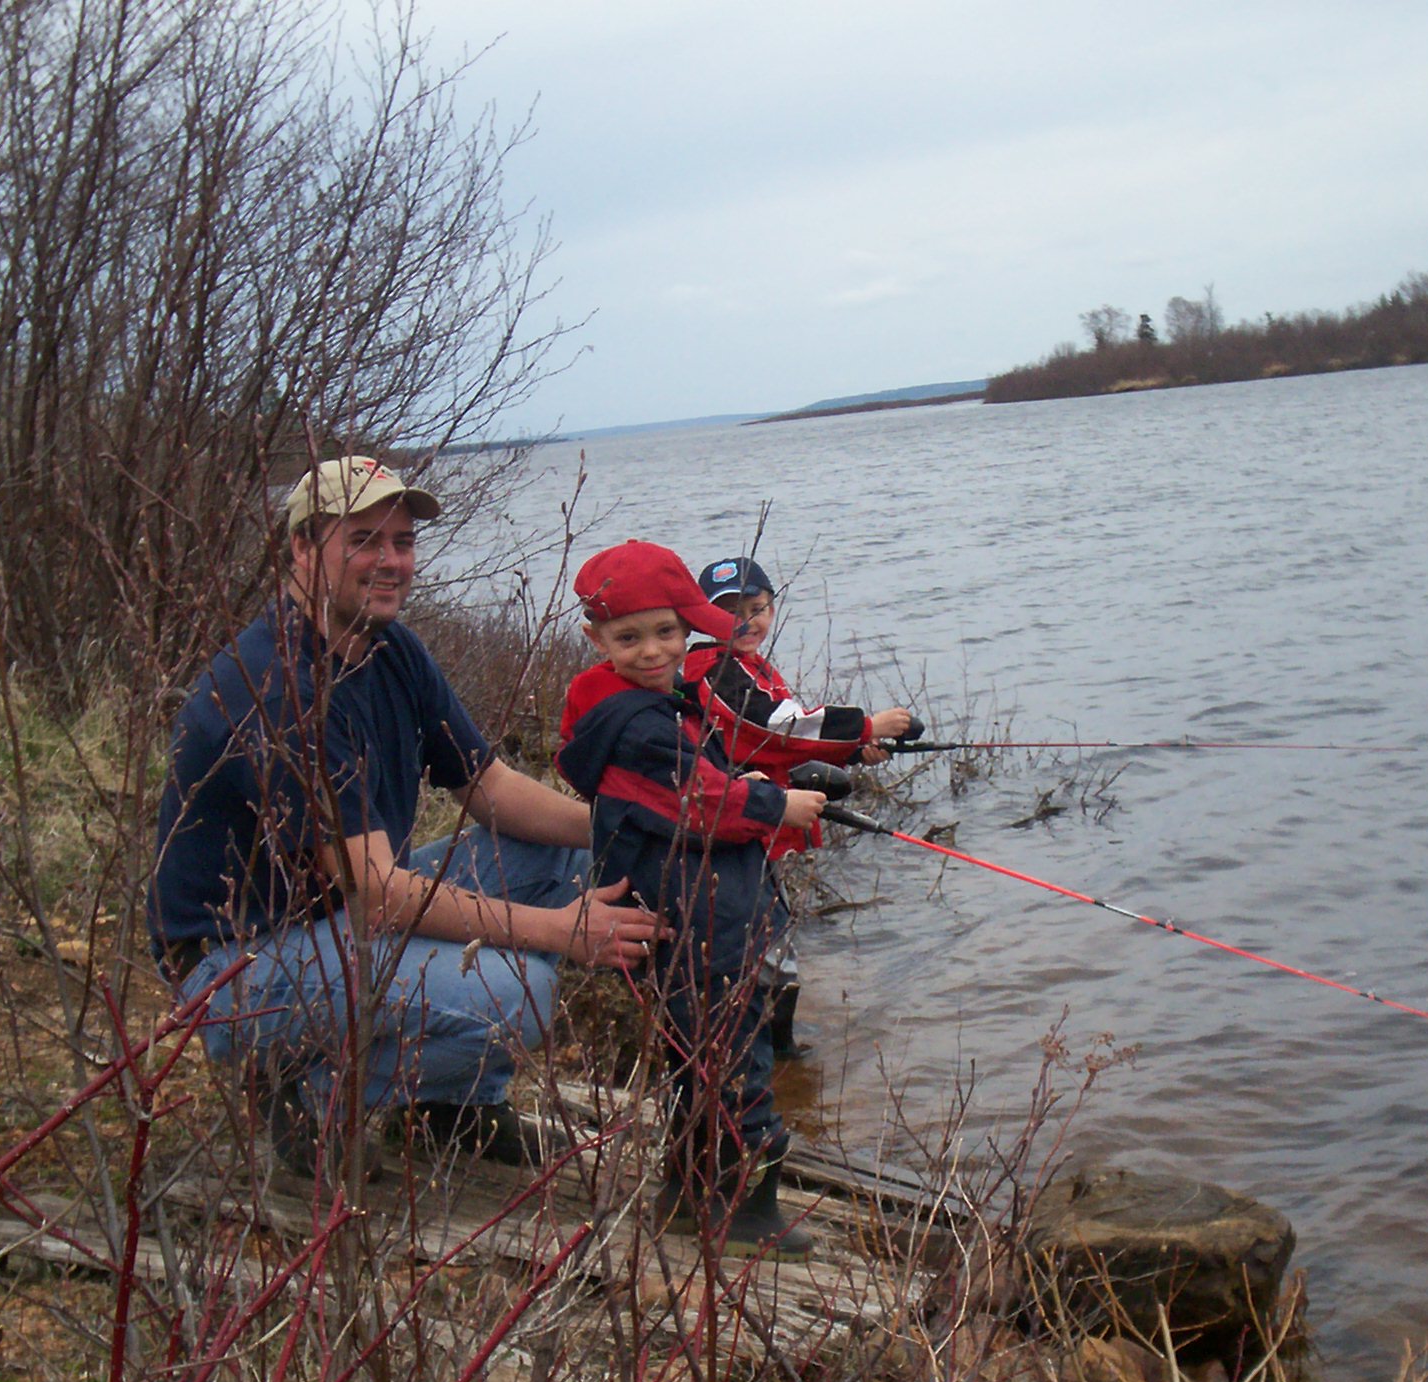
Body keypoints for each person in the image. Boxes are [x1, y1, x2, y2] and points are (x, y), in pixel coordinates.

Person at [149, 455, 665, 1176]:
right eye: (364, 540)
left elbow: (488, 787)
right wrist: (562, 933)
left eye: (403, 542)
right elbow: (381, 895)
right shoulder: (279, 687)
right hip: (239, 962)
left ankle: (456, 1106)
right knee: (521, 994)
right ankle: (311, 1097)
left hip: (331, 916)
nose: (391, 561)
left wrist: (631, 822)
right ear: (302, 548)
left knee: (564, 860)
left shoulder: (388, 648)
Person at [554, 540, 827, 1259]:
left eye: (668, 632)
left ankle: (686, 1194)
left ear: (687, 628)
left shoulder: (636, 703)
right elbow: (706, 803)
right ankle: (739, 1212)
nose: (653, 651)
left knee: (698, 1060)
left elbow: (703, 773)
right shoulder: (639, 725)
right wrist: (779, 806)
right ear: (595, 639)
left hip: (689, 911)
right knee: (733, 1063)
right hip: (699, 918)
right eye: (629, 637)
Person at [680, 555, 919, 1055]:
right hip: (734, 821)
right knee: (764, 938)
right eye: (728, 611)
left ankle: (770, 1047)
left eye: (757, 607)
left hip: (756, 818)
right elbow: (778, 724)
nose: (746, 621)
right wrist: (865, 726)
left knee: (770, 931)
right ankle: (772, 1050)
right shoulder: (712, 669)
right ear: (701, 618)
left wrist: (852, 752)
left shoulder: (747, 665)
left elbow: (782, 743)